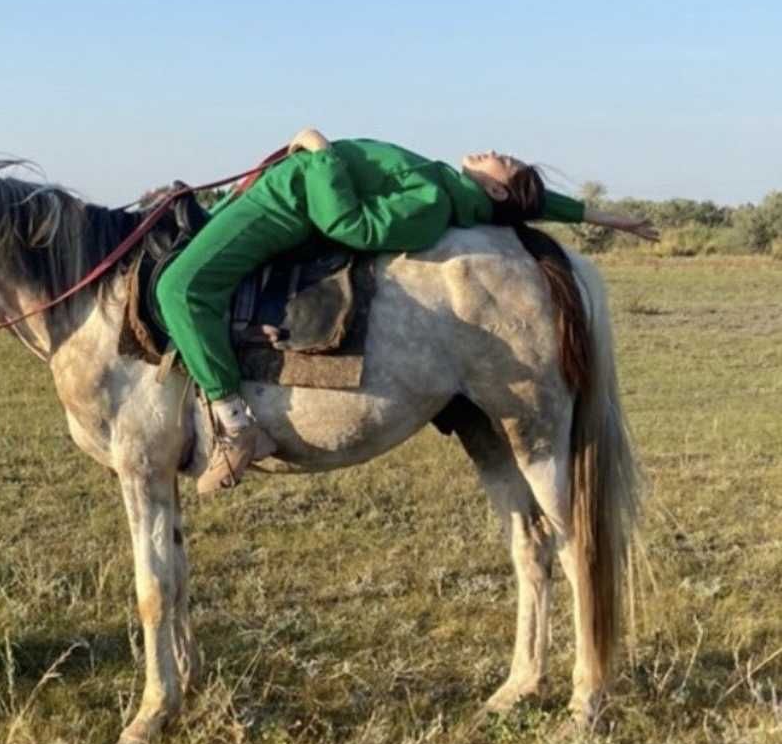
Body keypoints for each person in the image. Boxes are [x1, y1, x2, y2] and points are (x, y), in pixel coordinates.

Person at [156, 130, 658, 499]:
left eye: (504, 161)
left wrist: (321, 152)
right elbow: (533, 201)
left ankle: (233, 423)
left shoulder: (433, 201)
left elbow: (351, 224)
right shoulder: (457, 192)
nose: (496, 149)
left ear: (498, 190)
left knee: (179, 286)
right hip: (289, 186)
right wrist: (608, 218)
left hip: (287, 202)